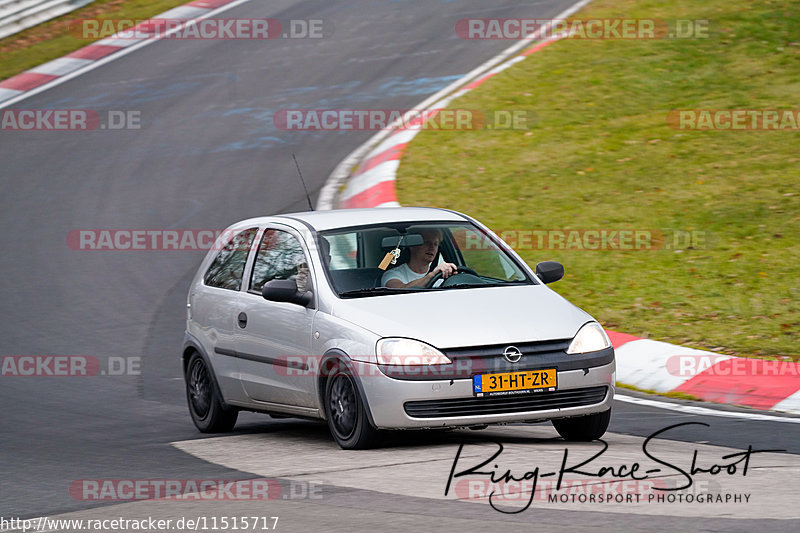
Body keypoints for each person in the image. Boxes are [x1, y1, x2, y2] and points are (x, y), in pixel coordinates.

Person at [381, 228, 459, 288]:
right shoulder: (393, 274)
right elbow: (400, 290)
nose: (432, 247)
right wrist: (432, 275)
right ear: (412, 246)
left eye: (435, 244)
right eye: (427, 243)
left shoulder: (444, 273)